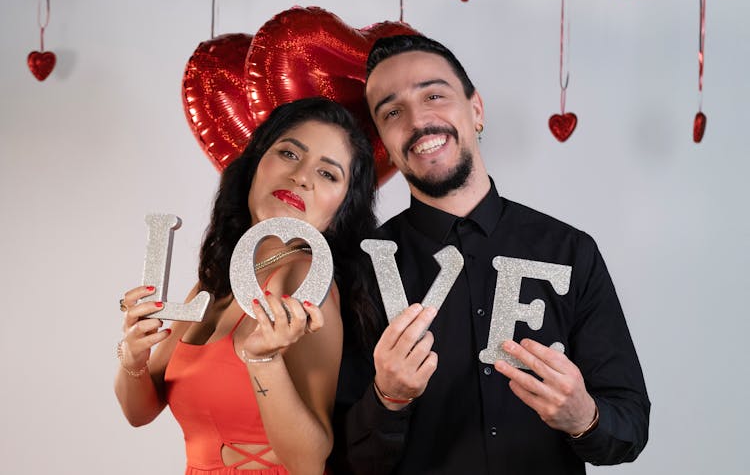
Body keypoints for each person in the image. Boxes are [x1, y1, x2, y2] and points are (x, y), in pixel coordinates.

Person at [331, 35, 650, 474]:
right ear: (383, 140)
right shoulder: (359, 271)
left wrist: (584, 418)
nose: (419, 120)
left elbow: (630, 427)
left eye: (435, 95)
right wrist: (388, 399)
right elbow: (341, 460)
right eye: (392, 112)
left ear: (476, 109)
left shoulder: (570, 252)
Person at [115, 97, 379, 475]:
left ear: (340, 212)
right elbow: (138, 412)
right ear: (255, 163)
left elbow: (308, 462)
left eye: (328, 174)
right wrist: (132, 357)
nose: (302, 176)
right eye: (289, 153)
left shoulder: (306, 279)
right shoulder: (214, 283)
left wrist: (263, 360)